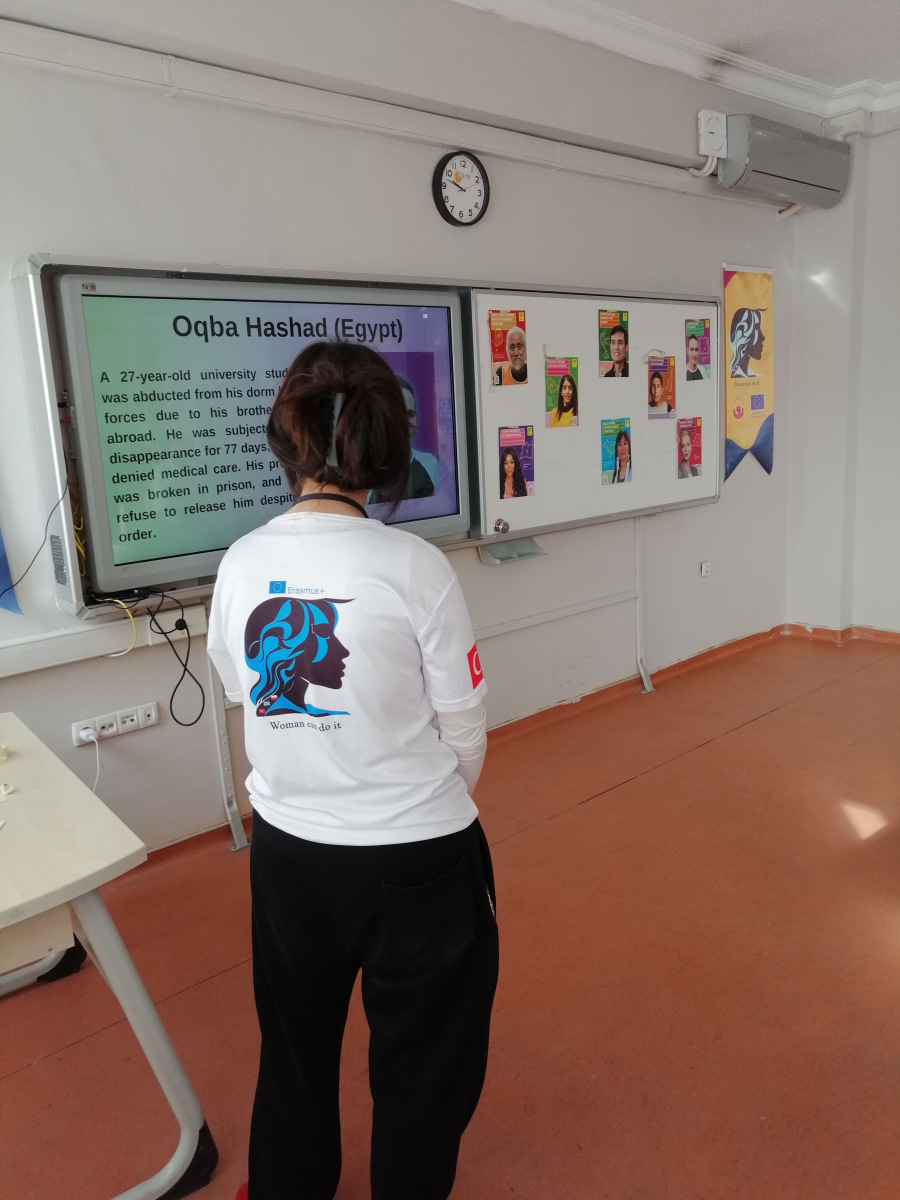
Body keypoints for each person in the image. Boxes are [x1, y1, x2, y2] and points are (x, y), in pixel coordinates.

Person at [207, 340, 498, 1200]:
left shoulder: (240, 563)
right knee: (424, 1067)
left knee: (293, 1051)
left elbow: (245, 694)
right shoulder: (417, 568)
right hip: (421, 865)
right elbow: (465, 729)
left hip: (289, 857)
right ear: (387, 449)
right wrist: (412, 807)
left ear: (287, 440)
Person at [369, 374, 437, 503]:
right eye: (395, 415)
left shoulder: (431, 464)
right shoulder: (364, 472)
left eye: (410, 415)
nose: (405, 425)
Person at [729, 307, 765, 377]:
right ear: (741, 333)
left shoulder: (750, 374)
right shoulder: (738, 376)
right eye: (757, 328)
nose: (763, 337)